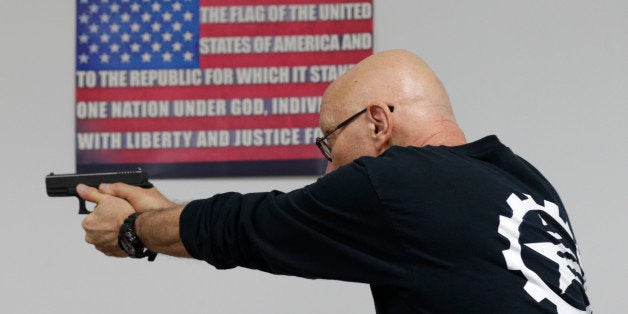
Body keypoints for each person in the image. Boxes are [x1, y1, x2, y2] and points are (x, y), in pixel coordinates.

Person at [78, 50, 591, 313]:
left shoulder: (396, 183)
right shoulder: (522, 180)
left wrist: (135, 228)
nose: (329, 169)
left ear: (377, 123)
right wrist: (163, 213)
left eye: (330, 142)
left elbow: (248, 227)